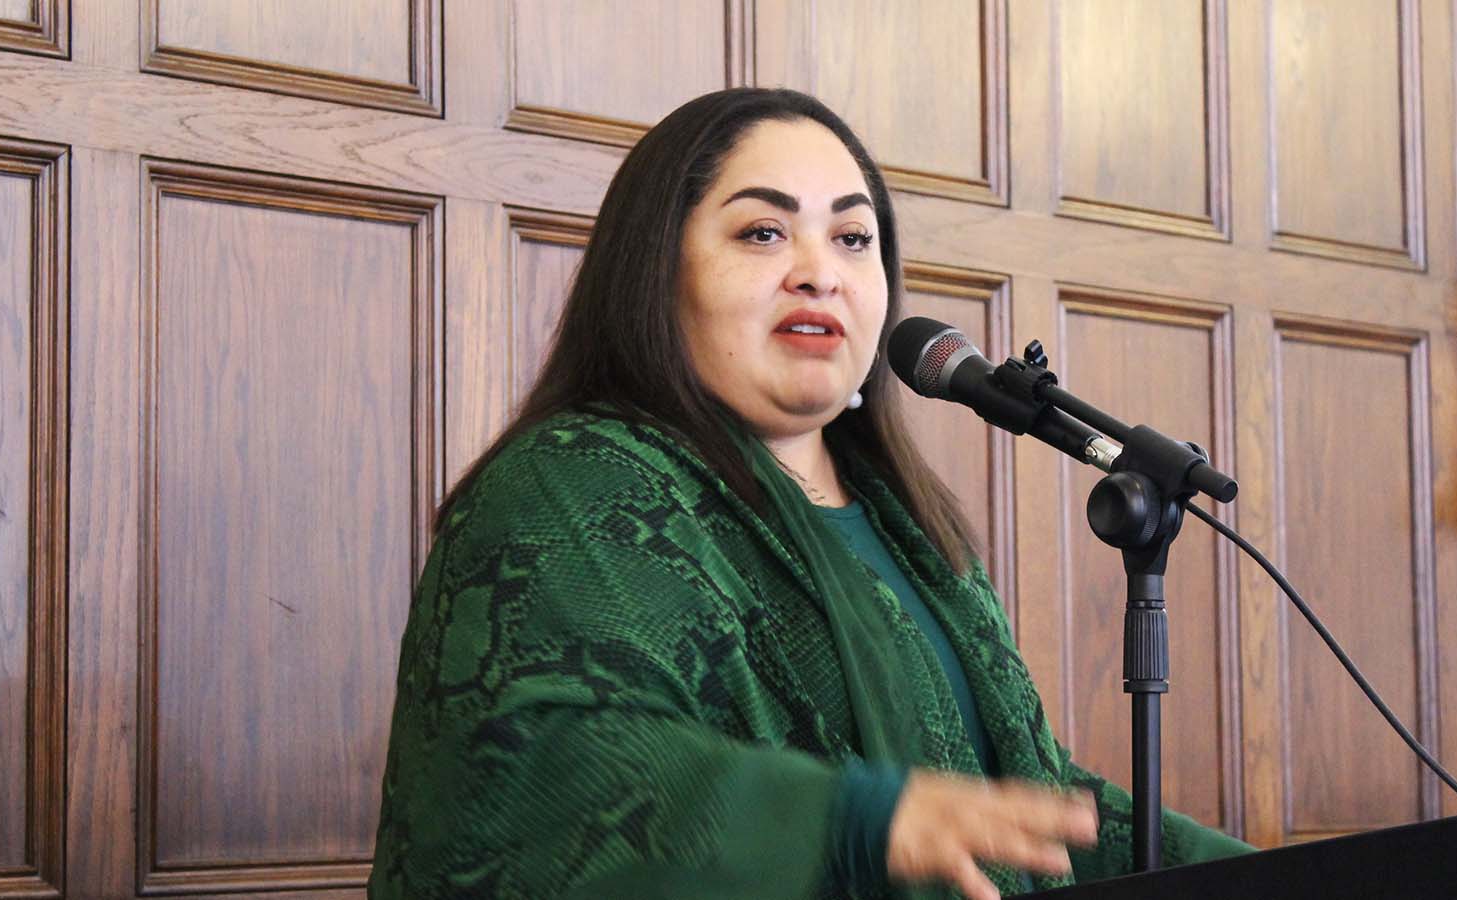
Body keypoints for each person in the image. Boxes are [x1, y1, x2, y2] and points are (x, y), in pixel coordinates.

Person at [367, 87, 1251, 900]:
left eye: (853, 239)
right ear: (656, 271)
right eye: (763, 233)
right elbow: (553, 778)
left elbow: (1018, 806)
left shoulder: (911, 529)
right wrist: (854, 822)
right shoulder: (571, 489)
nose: (819, 271)